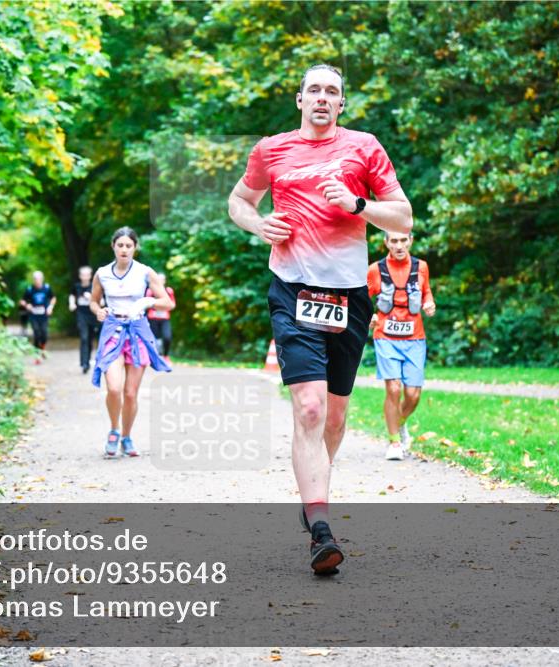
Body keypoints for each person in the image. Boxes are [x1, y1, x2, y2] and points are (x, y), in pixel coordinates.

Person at [227, 64, 413, 574]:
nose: (323, 98)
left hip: (349, 295)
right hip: (292, 288)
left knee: (333, 417)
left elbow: (403, 216)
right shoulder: (271, 149)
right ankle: (322, 530)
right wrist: (257, 222)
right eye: (315, 90)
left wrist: (358, 204)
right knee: (308, 409)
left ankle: (313, 496)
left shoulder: (365, 147)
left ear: (342, 103)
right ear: (299, 99)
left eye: (333, 91)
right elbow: (239, 200)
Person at [89, 227, 173, 459]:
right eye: (120, 245)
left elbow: (167, 303)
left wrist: (147, 301)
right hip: (113, 330)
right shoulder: (102, 273)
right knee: (114, 388)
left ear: (135, 248)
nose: (124, 249)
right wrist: (98, 311)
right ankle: (114, 430)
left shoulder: (146, 272)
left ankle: (126, 436)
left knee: (130, 393)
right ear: (113, 247)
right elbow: (94, 302)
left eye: (129, 245)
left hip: (137, 331)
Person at [367, 231, 436, 461]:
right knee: (394, 388)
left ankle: (399, 423)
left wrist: (429, 304)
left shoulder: (421, 267)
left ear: (410, 241)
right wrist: (370, 317)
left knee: (413, 394)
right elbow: (362, 299)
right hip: (385, 336)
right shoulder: (375, 269)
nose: (399, 245)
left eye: (403, 240)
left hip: (415, 337)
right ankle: (394, 442)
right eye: (393, 241)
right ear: (386, 242)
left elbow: (426, 293)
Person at [69, 265, 100, 374]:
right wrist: (72, 303)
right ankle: (84, 363)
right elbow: (72, 296)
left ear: (90, 276)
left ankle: (87, 360)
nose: (85, 277)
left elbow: (102, 302)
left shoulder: (94, 287)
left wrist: (91, 297)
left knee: (90, 339)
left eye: (87, 275)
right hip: (81, 315)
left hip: (92, 316)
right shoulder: (76, 286)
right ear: (80, 276)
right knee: (84, 337)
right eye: (83, 275)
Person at [20, 271, 55, 362]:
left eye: (39, 279)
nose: (37, 281)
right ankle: (37, 355)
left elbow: (53, 298)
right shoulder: (30, 289)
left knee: (44, 334)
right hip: (33, 315)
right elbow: (22, 301)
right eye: (35, 279)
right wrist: (27, 305)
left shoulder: (47, 288)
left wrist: (50, 307)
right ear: (33, 280)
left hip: (44, 315)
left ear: (42, 279)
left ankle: (42, 349)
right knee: (36, 333)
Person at [145, 272, 175, 361]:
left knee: (167, 337)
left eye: (162, 279)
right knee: (154, 339)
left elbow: (172, 305)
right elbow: (146, 304)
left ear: (165, 281)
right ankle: (155, 357)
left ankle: (166, 356)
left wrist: (159, 305)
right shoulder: (150, 291)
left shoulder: (169, 291)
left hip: (164, 318)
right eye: (159, 279)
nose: (160, 281)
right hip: (152, 318)